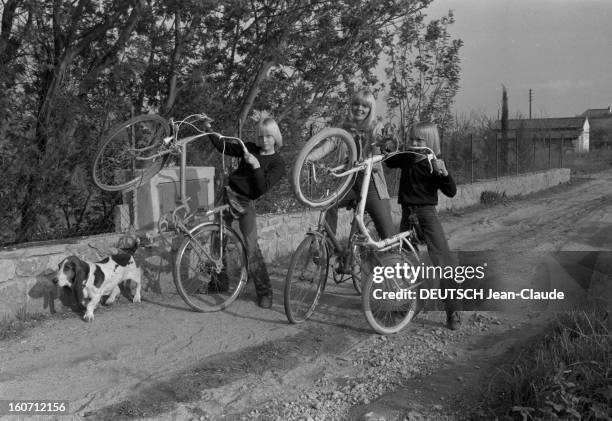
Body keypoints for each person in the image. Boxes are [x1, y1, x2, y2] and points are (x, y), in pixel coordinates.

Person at [307, 89, 395, 272]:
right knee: (329, 202)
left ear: (371, 108)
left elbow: (382, 150)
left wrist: (375, 151)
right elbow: (327, 145)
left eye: (365, 105)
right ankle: (328, 248)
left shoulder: (376, 127)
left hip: (371, 183)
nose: (360, 108)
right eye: (356, 104)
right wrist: (308, 158)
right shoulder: (343, 128)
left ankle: (396, 273)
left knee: (387, 234)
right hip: (349, 182)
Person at [385, 122, 462, 330]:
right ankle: (410, 304)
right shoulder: (407, 159)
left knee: (442, 261)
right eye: (411, 139)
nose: (414, 143)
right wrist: (388, 148)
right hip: (407, 214)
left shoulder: (432, 162)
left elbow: (451, 191)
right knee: (404, 263)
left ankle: (452, 311)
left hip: (427, 215)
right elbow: (390, 162)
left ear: (431, 142)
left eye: (419, 140)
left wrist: (444, 173)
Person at [209, 117, 285, 308]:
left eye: (268, 136)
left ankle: (265, 292)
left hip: (246, 203)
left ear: (275, 136)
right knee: (217, 240)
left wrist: (256, 166)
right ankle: (219, 283)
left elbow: (261, 189)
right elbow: (223, 146)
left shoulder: (278, 163)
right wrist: (208, 128)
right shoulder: (249, 148)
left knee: (251, 248)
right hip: (227, 195)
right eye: (261, 136)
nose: (264, 140)